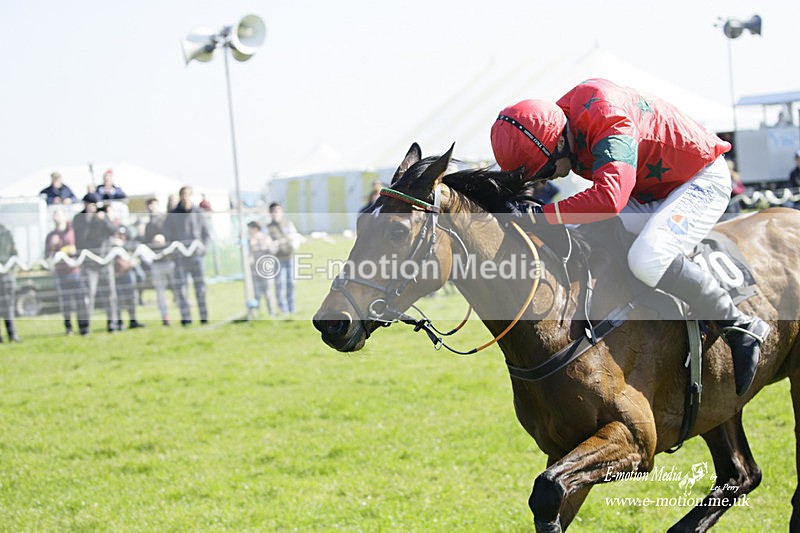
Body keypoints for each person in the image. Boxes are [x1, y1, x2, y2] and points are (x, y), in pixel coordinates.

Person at [488, 78, 768, 396]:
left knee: (647, 258)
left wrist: (542, 216)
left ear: (558, 144)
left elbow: (609, 199)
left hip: (698, 178)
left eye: (545, 170)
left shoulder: (607, 117)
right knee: (574, 233)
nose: (549, 177)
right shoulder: (550, 126)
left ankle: (740, 325)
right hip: (646, 189)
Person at [73, 192, 120, 332]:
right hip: (89, 263)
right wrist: (88, 218)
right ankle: (85, 326)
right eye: (90, 204)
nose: (92, 207)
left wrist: (104, 219)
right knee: (88, 295)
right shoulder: (79, 218)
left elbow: (113, 231)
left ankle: (112, 324)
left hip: (105, 260)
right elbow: (80, 237)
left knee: (110, 294)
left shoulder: (102, 216)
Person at [165, 186, 211, 325]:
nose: (185, 197)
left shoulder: (199, 212)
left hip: (197, 257)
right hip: (180, 258)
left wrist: (203, 250)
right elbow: (168, 235)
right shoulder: (173, 215)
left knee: (200, 288)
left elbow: (206, 234)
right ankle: (186, 318)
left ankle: (204, 316)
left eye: (187, 194)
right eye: (183, 194)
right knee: (181, 289)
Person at [45, 208, 90, 335]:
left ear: (65, 216)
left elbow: (80, 246)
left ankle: (84, 328)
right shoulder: (51, 235)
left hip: (75, 271)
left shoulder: (73, 231)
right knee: (65, 303)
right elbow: (47, 255)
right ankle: (68, 328)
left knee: (80, 300)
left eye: (59, 214)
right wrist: (52, 245)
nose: (57, 217)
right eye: (55, 214)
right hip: (60, 273)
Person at [143, 197, 174, 326]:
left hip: (169, 260)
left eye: (154, 204)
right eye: (149, 204)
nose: (152, 207)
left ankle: (186, 315)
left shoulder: (164, 219)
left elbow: (172, 235)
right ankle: (165, 316)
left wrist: (163, 238)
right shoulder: (148, 224)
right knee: (160, 291)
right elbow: (145, 241)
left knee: (178, 287)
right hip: (156, 262)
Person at [266, 202, 300, 313]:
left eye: (279, 211)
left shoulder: (287, 224)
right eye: (274, 211)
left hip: (290, 257)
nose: (277, 214)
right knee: (280, 285)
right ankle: (283, 309)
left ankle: (292, 308)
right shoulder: (267, 228)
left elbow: (294, 238)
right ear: (270, 213)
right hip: (277, 260)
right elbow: (269, 245)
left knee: (291, 283)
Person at [112, 227, 144, 330]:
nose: (121, 237)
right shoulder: (112, 246)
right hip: (116, 275)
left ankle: (133, 320)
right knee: (118, 299)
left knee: (130, 298)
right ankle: (119, 322)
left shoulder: (129, 245)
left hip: (127, 273)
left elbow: (135, 256)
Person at [247, 221, 276, 316]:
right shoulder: (250, 239)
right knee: (257, 293)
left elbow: (271, 250)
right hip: (254, 270)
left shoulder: (264, 238)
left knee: (267, 292)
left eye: (250, 229)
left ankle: (271, 312)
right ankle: (256, 314)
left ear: (255, 228)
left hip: (265, 270)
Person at [0, 224, 20, 342]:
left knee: (8, 307)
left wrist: (11, 269)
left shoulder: (6, 232)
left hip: (6, 274)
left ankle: (12, 334)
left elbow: (15, 254)